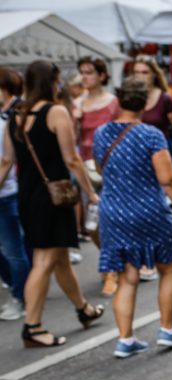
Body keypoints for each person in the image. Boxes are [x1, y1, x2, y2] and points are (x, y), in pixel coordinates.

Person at [0, 60, 105, 347]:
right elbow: (71, 158)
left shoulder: (16, 116)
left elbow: (7, 162)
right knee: (44, 260)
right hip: (54, 195)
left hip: (27, 195)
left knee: (59, 258)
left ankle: (83, 308)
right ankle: (32, 327)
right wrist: (91, 191)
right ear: (52, 81)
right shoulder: (56, 111)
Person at [92, 77, 172, 358]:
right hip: (148, 209)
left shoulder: (101, 134)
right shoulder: (151, 135)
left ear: (119, 100)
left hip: (114, 211)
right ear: (146, 103)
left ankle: (125, 339)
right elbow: (168, 179)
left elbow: (100, 169)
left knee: (127, 276)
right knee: (169, 268)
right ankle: (167, 330)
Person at [132, 55, 172, 283]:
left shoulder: (165, 99)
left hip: (160, 156)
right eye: (136, 72)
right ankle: (143, 256)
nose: (140, 76)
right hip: (136, 157)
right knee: (140, 207)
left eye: (144, 72)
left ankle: (153, 259)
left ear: (153, 75)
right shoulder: (131, 100)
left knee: (155, 205)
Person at [75, 56, 119, 296]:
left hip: (111, 167)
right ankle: (113, 261)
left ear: (102, 75)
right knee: (91, 225)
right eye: (82, 72)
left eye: (89, 72)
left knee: (108, 221)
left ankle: (110, 271)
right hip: (86, 169)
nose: (85, 77)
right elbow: (72, 139)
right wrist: (75, 117)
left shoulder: (112, 102)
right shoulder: (77, 104)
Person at [0, 66, 30, 321]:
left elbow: (7, 160)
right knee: (14, 249)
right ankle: (22, 288)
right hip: (9, 190)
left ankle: (21, 297)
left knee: (14, 249)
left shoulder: (16, 113)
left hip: (11, 190)